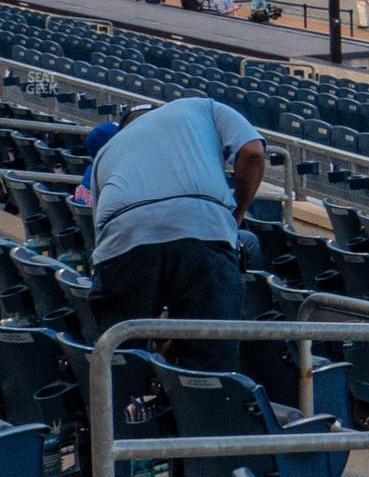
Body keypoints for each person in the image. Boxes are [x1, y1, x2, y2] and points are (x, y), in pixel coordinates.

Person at [86, 98, 266, 372]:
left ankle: (127, 405)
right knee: (210, 365)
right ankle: (204, 407)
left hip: (124, 237)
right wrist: (237, 215)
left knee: (121, 361)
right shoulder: (203, 106)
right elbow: (253, 152)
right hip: (204, 228)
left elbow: (104, 241)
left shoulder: (106, 151)